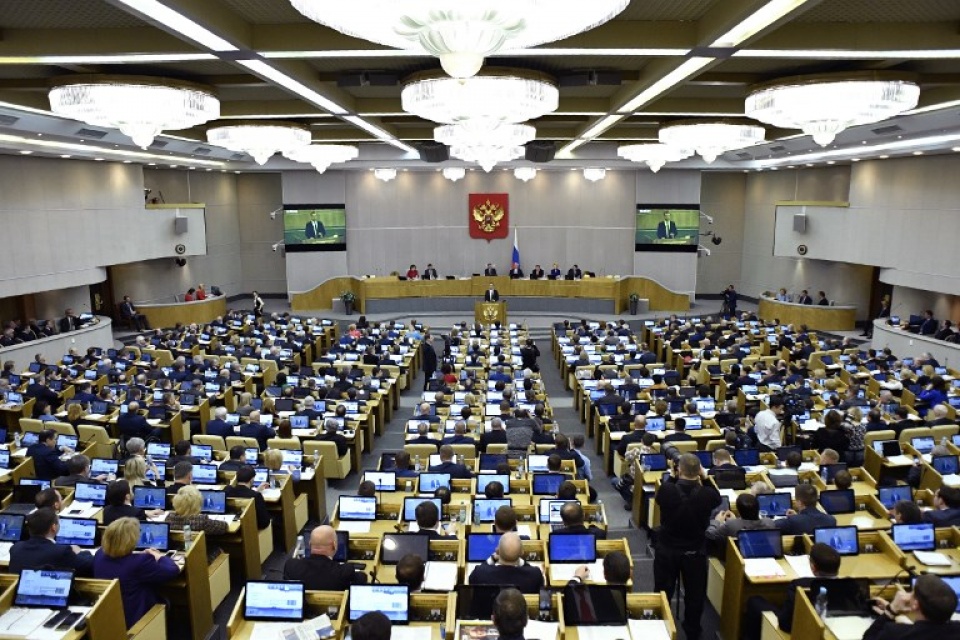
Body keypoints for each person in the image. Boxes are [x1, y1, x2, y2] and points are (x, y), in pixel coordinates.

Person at [654, 453, 721, 640]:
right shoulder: (707, 494)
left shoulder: (667, 490)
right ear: (699, 471)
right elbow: (717, 497)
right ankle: (692, 631)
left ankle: (660, 626)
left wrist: (674, 476)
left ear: (679, 469)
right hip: (695, 551)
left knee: (663, 590)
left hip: (668, 549)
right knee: (694, 595)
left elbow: (662, 496)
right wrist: (706, 477)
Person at [93, 518, 180, 629]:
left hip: (110, 615)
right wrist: (160, 557)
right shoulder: (140, 562)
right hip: (135, 617)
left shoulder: (99, 554)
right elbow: (172, 571)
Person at [743, 543, 842, 640]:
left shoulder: (799, 585)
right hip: (832, 631)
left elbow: (785, 623)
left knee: (754, 601)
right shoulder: (850, 586)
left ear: (813, 568)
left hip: (798, 632)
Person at [865, 574, 960, 639]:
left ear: (916, 605)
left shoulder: (894, 633)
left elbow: (869, 638)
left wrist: (891, 610)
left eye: (912, 593)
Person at [9, 508, 94, 575]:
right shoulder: (61, 551)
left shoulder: (15, 548)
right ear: (53, 527)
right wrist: (81, 552)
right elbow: (88, 565)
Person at [283, 525, 368, 589]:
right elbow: (362, 578)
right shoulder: (344, 572)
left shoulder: (291, 566)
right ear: (334, 545)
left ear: (309, 544)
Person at [468, 532, 544, 594]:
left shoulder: (480, 573)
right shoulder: (535, 575)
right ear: (522, 552)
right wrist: (520, 560)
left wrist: (492, 559)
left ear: (497, 550)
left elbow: (471, 580)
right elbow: (529, 569)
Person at [706, 493, 776, 543]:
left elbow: (710, 534)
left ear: (738, 511)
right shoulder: (769, 523)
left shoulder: (731, 525)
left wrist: (717, 521)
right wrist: (735, 520)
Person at [227, 465, 271, 529]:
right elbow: (264, 522)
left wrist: (256, 490)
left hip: (233, 525)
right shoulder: (256, 496)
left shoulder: (228, 491)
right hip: (251, 528)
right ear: (252, 479)